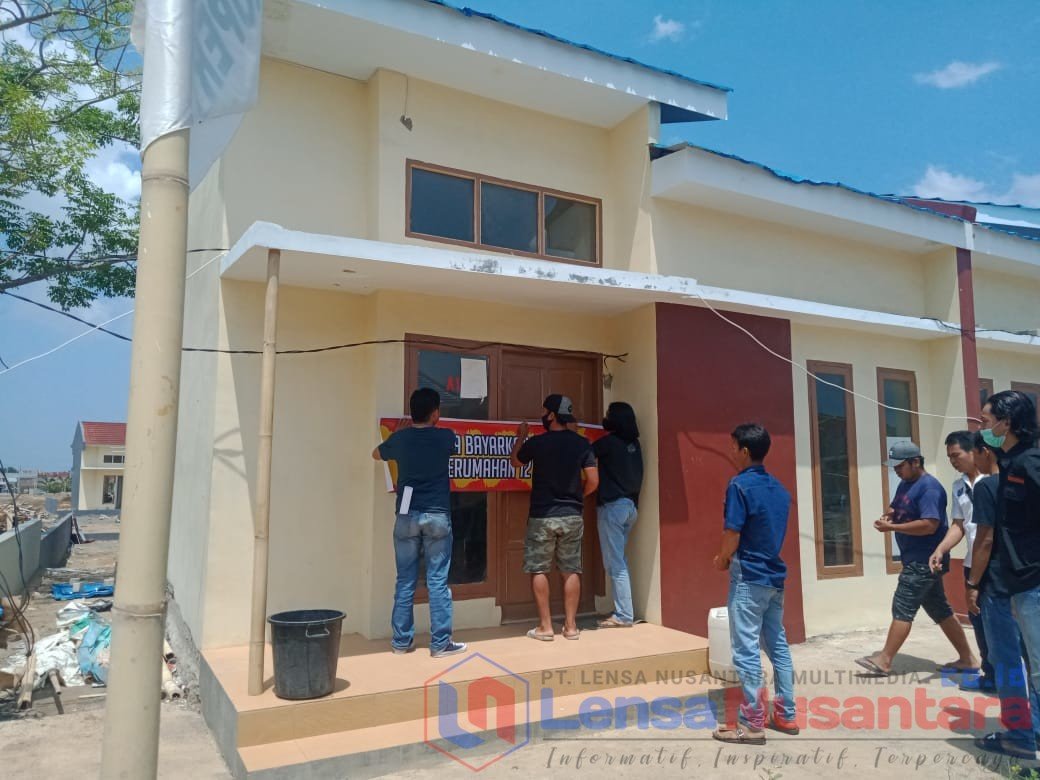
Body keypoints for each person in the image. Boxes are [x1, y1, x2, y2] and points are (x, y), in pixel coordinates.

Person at [857, 441, 978, 676]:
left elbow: (929, 525)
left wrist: (893, 528)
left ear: (915, 462)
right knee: (940, 610)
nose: (896, 470)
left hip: (924, 560)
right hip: (917, 558)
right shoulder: (906, 483)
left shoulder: (930, 489)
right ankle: (968, 659)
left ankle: (884, 660)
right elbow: (898, 508)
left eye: (900, 466)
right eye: (893, 466)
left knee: (903, 606)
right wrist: (889, 516)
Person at [711, 423, 797, 745]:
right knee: (778, 646)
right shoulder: (780, 489)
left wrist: (722, 559)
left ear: (744, 451)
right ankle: (786, 714)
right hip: (774, 577)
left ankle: (751, 724)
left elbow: (732, 532)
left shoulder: (739, 485)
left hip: (749, 576)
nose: (730, 452)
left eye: (733, 447)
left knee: (746, 650)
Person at [373, 387, 466, 658]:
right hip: (437, 514)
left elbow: (376, 454)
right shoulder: (446, 437)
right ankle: (440, 644)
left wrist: (398, 435)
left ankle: (401, 642)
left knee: (405, 580)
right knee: (437, 580)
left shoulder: (401, 438)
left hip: (406, 513)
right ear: (435, 413)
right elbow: (456, 448)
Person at [964, 429, 1040, 760]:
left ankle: (1019, 734)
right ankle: (1035, 727)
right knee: (1033, 660)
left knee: (1006, 661)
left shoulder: (988, 486)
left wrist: (972, 584)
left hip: (997, 585)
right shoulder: (1026, 480)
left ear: (986, 452)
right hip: (1029, 582)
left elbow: (984, 540)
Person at [510, 394, 598, 641]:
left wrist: (521, 437)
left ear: (551, 415)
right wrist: (578, 497)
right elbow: (593, 481)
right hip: (572, 515)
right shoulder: (582, 444)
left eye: (543, 411)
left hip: (542, 516)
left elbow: (515, 462)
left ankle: (545, 627)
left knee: (539, 569)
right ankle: (571, 627)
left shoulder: (538, 443)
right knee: (571, 569)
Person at [928, 430, 993, 690]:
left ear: (973, 451)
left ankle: (1015, 680)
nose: (953, 461)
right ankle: (990, 675)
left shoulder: (994, 480)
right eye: (949, 457)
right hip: (971, 563)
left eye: (956, 455)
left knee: (1003, 623)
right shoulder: (958, 486)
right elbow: (959, 525)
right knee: (979, 622)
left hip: (996, 563)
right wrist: (941, 549)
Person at [593, 402, 644, 629]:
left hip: (613, 508)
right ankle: (623, 610)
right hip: (630, 508)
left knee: (615, 564)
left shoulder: (608, 443)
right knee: (619, 561)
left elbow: (583, 454)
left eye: (608, 414)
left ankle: (623, 615)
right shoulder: (635, 445)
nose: (605, 417)